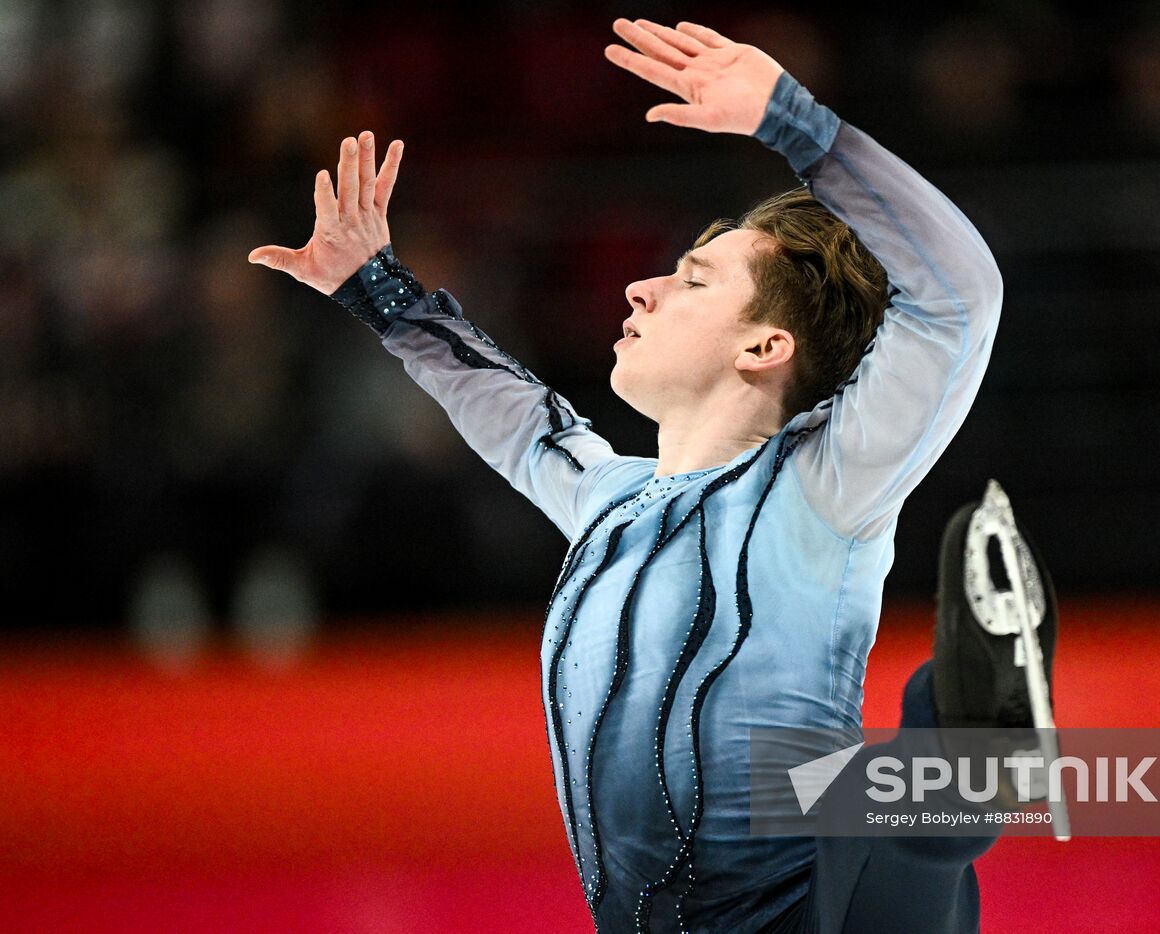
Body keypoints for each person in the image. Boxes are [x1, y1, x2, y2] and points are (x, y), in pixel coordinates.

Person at [250, 17, 1056, 933]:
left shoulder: (823, 492)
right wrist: (377, 289)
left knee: (892, 842)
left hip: (818, 912)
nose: (642, 289)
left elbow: (958, 301)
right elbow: (518, 420)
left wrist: (796, 123)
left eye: (695, 279)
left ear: (767, 344)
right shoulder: (608, 499)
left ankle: (964, 734)